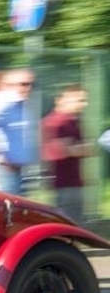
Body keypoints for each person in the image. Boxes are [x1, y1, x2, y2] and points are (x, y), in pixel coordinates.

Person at [41, 85, 91, 224]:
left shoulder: (73, 122)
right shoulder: (54, 123)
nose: (83, 104)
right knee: (65, 223)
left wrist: (74, 148)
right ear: (61, 100)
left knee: (76, 222)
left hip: (74, 181)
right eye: (79, 100)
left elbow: (85, 149)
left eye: (84, 100)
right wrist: (73, 148)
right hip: (61, 183)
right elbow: (63, 150)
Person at [0, 68, 38, 195]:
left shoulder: (21, 106)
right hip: (7, 171)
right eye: (23, 84)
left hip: (21, 169)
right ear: (7, 85)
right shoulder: (2, 105)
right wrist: (4, 157)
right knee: (10, 210)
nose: (28, 88)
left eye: (31, 84)